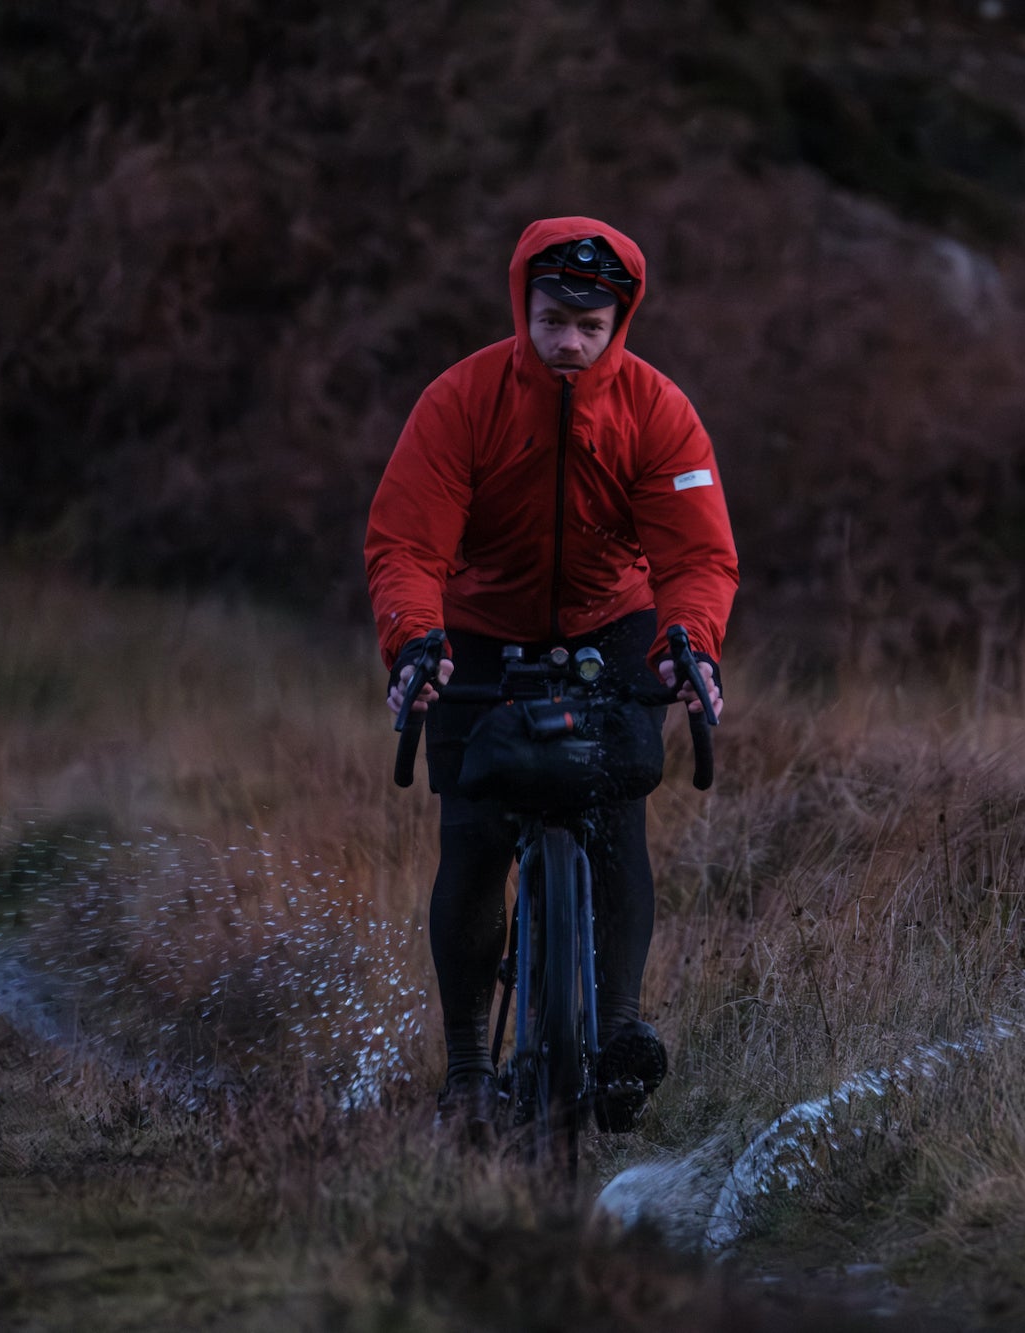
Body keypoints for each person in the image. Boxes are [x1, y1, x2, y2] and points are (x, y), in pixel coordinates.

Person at [364, 217, 736, 1141]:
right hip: (478, 633)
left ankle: (612, 1038)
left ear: (621, 320)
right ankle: (463, 1074)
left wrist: (688, 643)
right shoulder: (460, 401)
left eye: (590, 324)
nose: (568, 341)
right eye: (551, 318)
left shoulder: (658, 412)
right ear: (522, 303)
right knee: (476, 835)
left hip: (614, 624)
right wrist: (418, 640)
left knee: (617, 817)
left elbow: (698, 556)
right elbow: (406, 544)